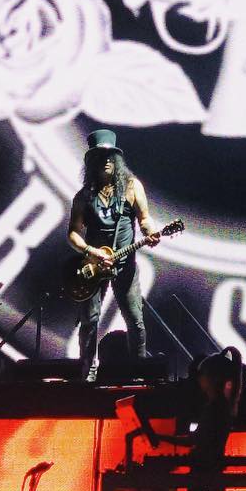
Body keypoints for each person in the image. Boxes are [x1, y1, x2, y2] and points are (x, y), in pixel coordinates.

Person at [68, 129, 161, 378]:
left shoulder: (132, 187)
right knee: (89, 320)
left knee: (135, 319)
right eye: (101, 156)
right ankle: (87, 371)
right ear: (92, 162)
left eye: (111, 156)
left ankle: (139, 371)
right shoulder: (83, 197)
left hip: (124, 263)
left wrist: (151, 231)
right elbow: (73, 233)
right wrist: (91, 252)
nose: (107, 161)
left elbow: (144, 218)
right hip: (93, 265)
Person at [155, 347, 243, 491]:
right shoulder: (222, 406)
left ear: (211, 379)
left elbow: (196, 441)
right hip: (210, 479)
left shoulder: (215, 408)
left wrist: (162, 438)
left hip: (203, 480)